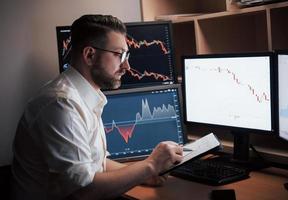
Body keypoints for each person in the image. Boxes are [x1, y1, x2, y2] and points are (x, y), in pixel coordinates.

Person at [11, 14, 183, 200]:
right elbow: (83, 190)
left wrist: (146, 175)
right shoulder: (61, 105)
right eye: (119, 55)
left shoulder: (85, 96)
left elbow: (98, 163)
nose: (127, 65)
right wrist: (150, 165)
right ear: (90, 55)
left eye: (127, 55)